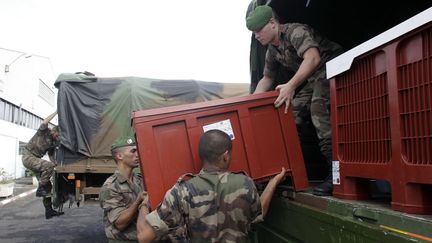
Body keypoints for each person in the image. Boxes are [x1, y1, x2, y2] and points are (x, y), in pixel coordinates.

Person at [246, 5, 343, 196]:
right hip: (314, 77)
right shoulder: (272, 50)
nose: (256, 35)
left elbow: (313, 58)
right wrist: (248, 105)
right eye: (254, 32)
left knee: (318, 109)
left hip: (334, 67)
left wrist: (290, 85)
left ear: (273, 23)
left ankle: (336, 173)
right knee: (290, 116)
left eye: (259, 30)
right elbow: (266, 79)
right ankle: (289, 171)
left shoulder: (295, 31)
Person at [137, 129, 286, 243]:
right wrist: (273, 183)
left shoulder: (181, 191)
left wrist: (143, 204)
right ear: (225, 156)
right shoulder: (245, 184)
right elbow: (258, 216)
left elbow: (143, 236)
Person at [99, 136, 149, 243]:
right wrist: (138, 201)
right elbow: (120, 224)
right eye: (133, 151)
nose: (137, 155)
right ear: (119, 156)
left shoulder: (139, 180)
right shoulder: (110, 186)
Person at [22, 111, 64, 219]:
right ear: (54, 131)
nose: (57, 137)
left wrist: (55, 162)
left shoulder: (54, 141)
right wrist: (56, 112)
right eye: (57, 135)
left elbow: (50, 153)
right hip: (28, 156)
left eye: (58, 137)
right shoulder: (44, 131)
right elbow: (45, 121)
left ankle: (49, 211)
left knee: (48, 187)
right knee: (48, 167)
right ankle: (41, 186)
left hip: (36, 159)